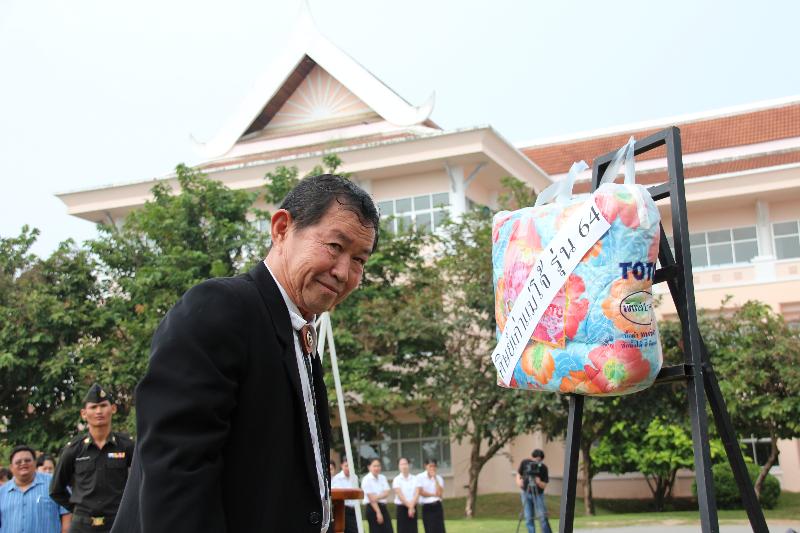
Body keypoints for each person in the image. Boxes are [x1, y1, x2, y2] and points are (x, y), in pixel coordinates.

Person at [112, 174, 379, 533]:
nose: (344, 272)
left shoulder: (298, 333)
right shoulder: (220, 309)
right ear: (282, 228)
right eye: (334, 245)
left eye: (359, 260)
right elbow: (177, 476)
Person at [50, 384, 134, 532]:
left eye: (103, 406)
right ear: (84, 413)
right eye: (93, 407)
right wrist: (79, 510)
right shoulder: (73, 449)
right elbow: (56, 490)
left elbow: (141, 480)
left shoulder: (127, 446)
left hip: (118, 523)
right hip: (82, 526)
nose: (99, 411)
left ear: (113, 409)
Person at [1, 445, 71, 533]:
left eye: (27, 460)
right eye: (18, 462)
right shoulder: (2, 492)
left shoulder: (55, 484)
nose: (23, 463)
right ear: (11, 467)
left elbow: (67, 515)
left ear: (35, 463)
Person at [516, 449, 552, 533]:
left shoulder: (543, 468)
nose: (536, 462)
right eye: (535, 460)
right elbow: (518, 473)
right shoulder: (525, 462)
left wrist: (539, 482)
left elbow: (544, 485)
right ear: (531, 457)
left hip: (538, 494)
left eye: (539, 460)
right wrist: (518, 481)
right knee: (528, 517)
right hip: (525, 493)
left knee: (542, 517)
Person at [361, 459, 393, 533]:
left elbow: (387, 492)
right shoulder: (366, 479)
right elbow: (371, 498)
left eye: (378, 466)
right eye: (374, 466)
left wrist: (376, 497)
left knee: (389, 530)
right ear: (369, 467)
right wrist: (378, 512)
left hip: (383, 507)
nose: (377, 468)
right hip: (372, 508)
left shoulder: (382, 478)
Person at [415, 458, 445, 533]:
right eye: (430, 466)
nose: (432, 468)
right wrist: (433, 494)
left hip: (437, 506)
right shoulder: (420, 477)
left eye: (434, 466)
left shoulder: (439, 478)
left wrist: (435, 478)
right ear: (425, 466)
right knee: (430, 529)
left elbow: (439, 493)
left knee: (440, 529)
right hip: (427, 507)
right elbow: (421, 492)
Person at [331, 456, 359, 533]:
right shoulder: (337, 478)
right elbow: (336, 495)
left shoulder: (355, 477)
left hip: (354, 509)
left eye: (350, 466)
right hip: (343, 509)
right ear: (342, 466)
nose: (348, 468)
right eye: (346, 466)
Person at [392, 457, 418, 533]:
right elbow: (400, 495)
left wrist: (412, 507)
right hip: (402, 508)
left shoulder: (415, 478)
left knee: (413, 529)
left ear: (409, 465)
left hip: (413, 507)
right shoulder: (396, 480)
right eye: (401, 464)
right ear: (398, 466)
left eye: (405, 464)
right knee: (402, 530)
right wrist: (410, 507)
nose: (404, 466)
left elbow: (417, 493)